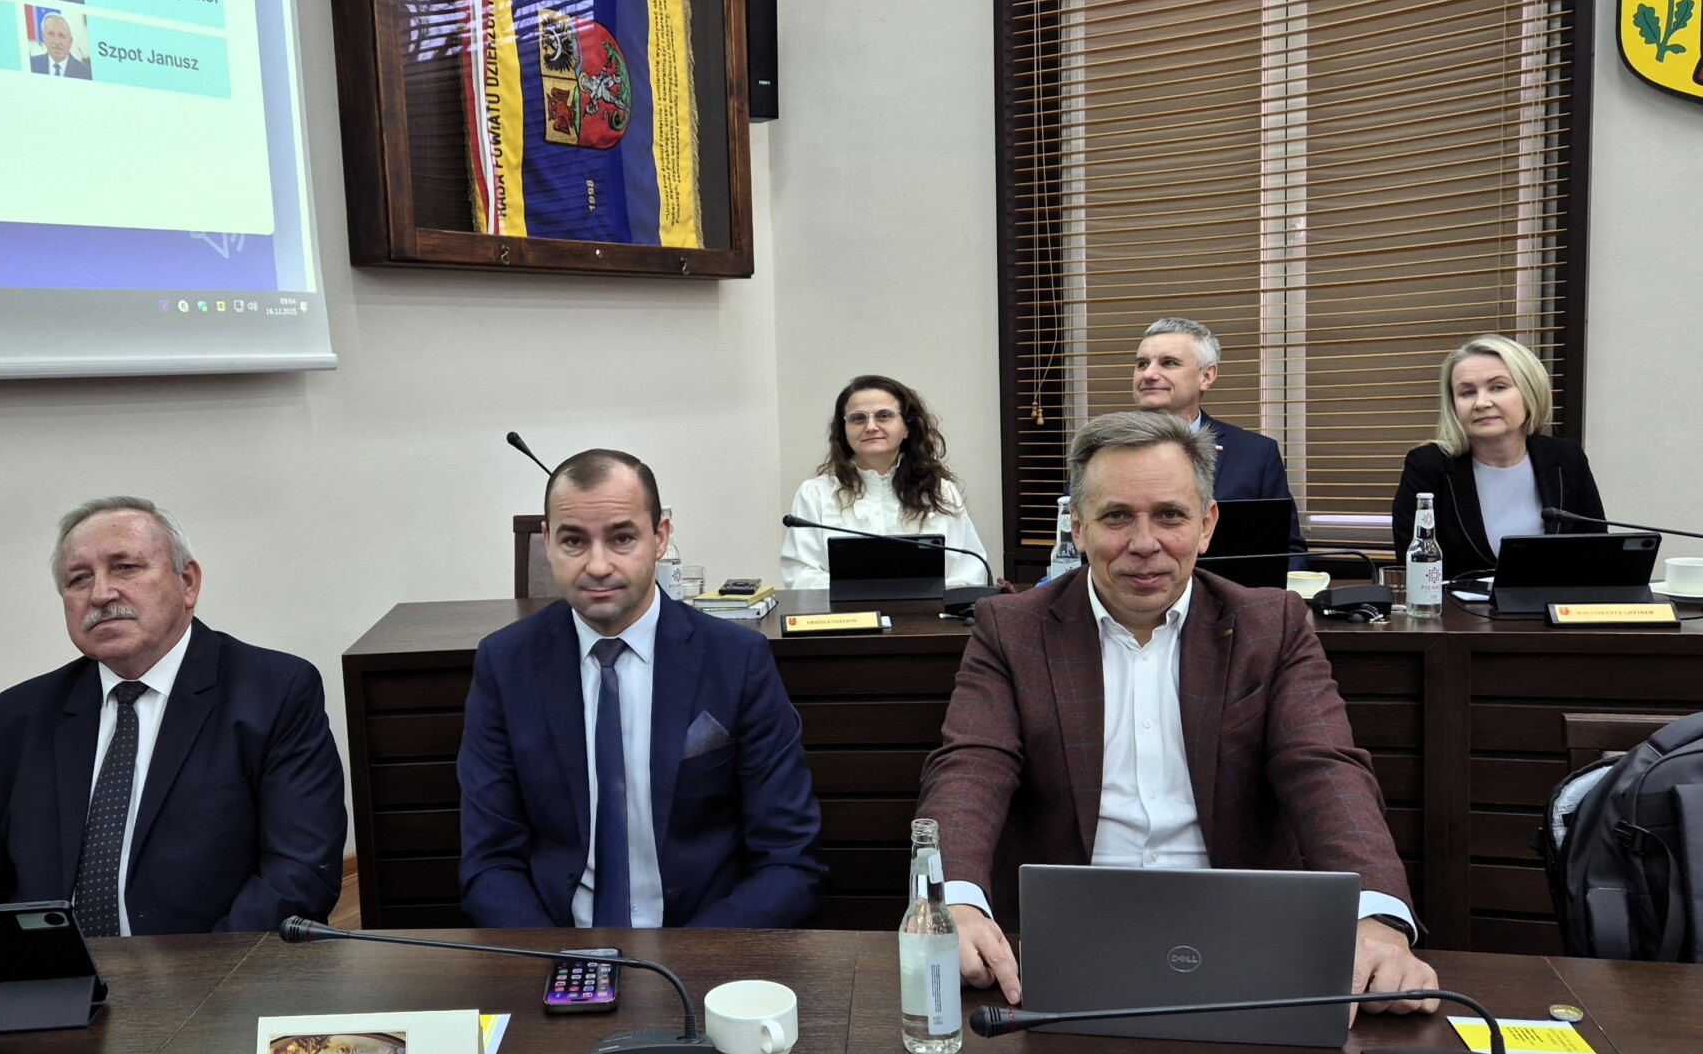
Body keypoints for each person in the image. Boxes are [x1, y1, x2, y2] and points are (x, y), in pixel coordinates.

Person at [915, 410, 1435, 1012]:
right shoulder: (1012, 630)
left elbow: (1325, 769)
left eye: (1169, 515)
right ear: (1078, 527)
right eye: (1117, 517)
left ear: (1206, 524)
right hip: (1060, 946)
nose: (1144, 543)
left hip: (1243, 937)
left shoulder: (1271, 625)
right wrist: (953, 900)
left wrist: (1375, 916)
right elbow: (970, 768)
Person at [0, 497, 347, 934]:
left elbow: (298, 874)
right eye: (79, 579)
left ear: (187, 583)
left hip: (212, 967)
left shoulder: (273, 692)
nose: (101, 594)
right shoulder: (15, 719)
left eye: (125, 567)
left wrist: (200, 972)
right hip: (50, 970)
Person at [460, 449, 826, 927]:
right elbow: (489, 862)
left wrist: (687, 961)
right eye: (573, 541)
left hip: (702, 941)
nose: (598, 565)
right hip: (558, 943)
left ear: (660, 537)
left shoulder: (737, 660)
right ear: (548, 542)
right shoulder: (506, 663)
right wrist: (556, 959)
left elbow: (790, 861)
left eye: (622, 538)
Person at [1390, 334, 1606, 577]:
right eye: (1467, 393)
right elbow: (1414, 567)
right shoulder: (1428, 466)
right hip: (1457, 603)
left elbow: (1597, 553)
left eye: (1498, 387)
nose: (1481, 403)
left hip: (1551, 601)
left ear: (1530, 392)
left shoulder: (1566, 458)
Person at [780, 374, 993, 590]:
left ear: (907, 427)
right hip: (839, 611)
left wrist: (917, 595)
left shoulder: (940, 491)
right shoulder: (815, 494)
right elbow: (800, 576)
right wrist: (871, 591)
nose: (871, 426)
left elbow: (970, 573)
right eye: (858, 418)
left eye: (884, 416)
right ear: (844, 430)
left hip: (930, 611)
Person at [1132, 316, 1307, 561]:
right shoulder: (1100, 451)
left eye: (1168, 363)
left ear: (1206, 376)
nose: (1149, 373)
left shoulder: (1256, 456)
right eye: (1142, 364)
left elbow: (1288, 555)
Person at [30, 13, 90, 78]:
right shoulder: (31, 64)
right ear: (43, 37)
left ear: (70, 41)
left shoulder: (86, 73)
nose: (57, 42)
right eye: (51, 34)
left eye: (62, 36)